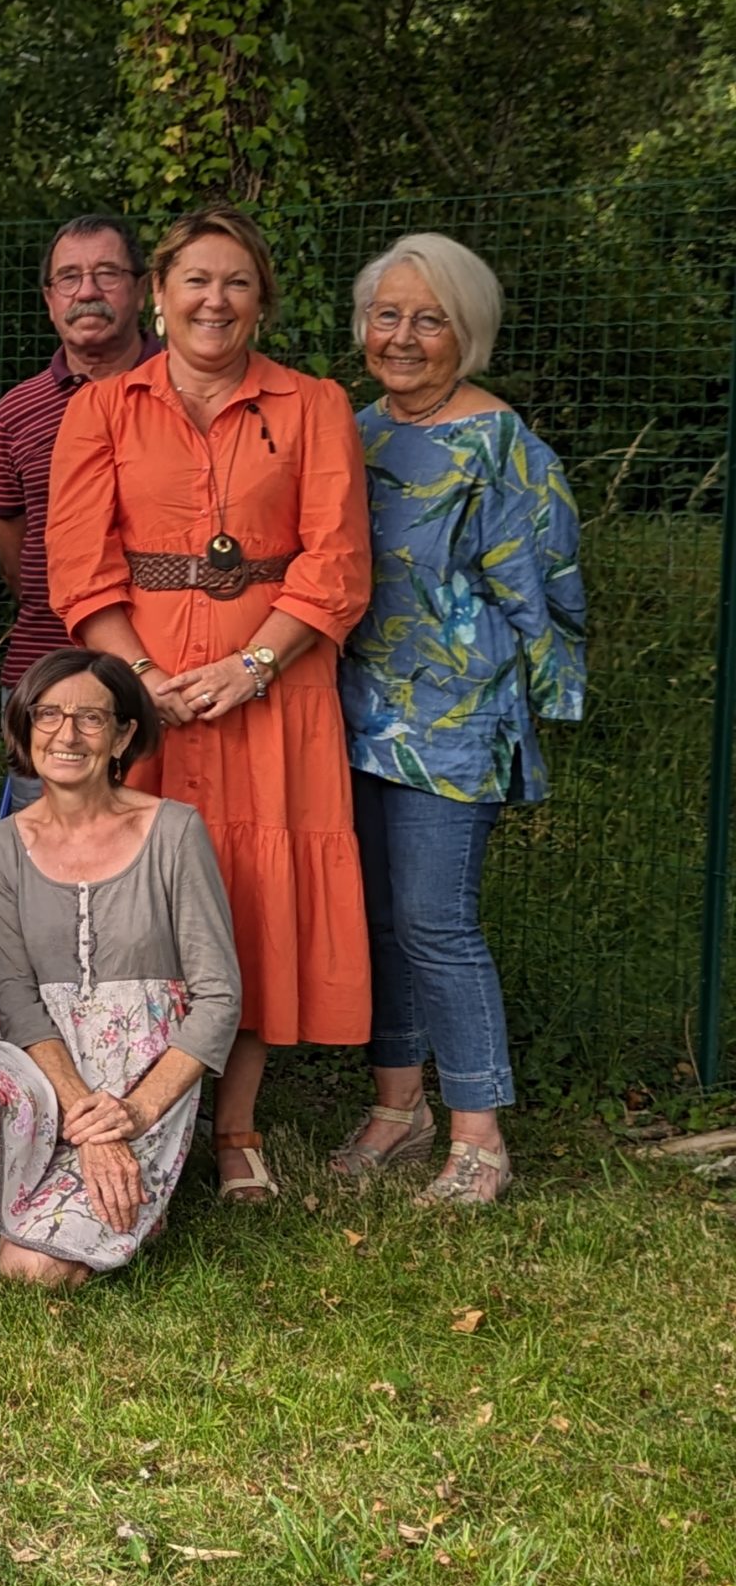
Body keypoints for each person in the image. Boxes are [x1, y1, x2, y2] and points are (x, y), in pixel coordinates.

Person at [45, 205, 374, 1203]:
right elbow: (76, 564)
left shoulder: (313, 404)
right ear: (158, 293)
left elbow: (338, 557)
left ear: (261, 301)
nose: (213, 300)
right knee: (132, 893)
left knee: (257, 889)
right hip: (139, 690)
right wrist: (141, 685)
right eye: (194, 280)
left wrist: (253, 666)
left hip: (273, 684)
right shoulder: (101, 408)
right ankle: (128, 1111)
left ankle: (234, 1127)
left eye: (235, 283)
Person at [331, 234, 585, 1207]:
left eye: (427, 317)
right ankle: (398, 1108)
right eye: (386, 315)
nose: (402, 335)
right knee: (383, 921)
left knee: (437, 920)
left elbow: (549, 593)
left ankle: (478, 1134)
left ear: (464, 331)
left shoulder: (502, 445)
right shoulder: (349, 430)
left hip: (455, 720)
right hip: (351, 714)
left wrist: (523, 713)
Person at [0, 651, 240, 1285]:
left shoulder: (174, 831)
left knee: (31, 1270)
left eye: (91, 718)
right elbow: (15, 995)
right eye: (48, 714)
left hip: (140, 1071)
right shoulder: (1, 845)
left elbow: (218, 999)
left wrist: (134, 1114)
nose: (66, 735)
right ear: (25, 726)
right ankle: (56, 1159)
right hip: (44, 1057)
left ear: (125, 734)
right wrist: (85, 1118)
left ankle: (125, 1191)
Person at [0, 216, 161, 730]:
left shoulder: (183, 393)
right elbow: (16, 557)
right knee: (40, 815)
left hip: (166, 670)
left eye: (107, 274)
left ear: (143, 288)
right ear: (49, 298)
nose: (87, 291)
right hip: (45, 671)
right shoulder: (17, 411)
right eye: (69, 278)